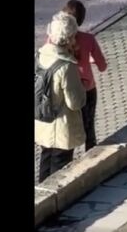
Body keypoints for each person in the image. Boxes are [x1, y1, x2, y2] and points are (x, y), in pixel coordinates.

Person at [35, 12, 86, 183]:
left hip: (42, 122)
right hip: (61, 127)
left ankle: (40, 199)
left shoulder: (39, 56)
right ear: (70, 38)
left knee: (45, 160)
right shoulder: (66, 66)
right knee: (60, 170)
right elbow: (75, 102)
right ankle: (56, 206)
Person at [61, 0, 107, 151]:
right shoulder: (88, 39)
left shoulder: (54, 38)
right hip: (87, 88)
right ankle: (91, 156)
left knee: (68, 128)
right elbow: (102, 66)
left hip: (65, 89)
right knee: (88, 127)